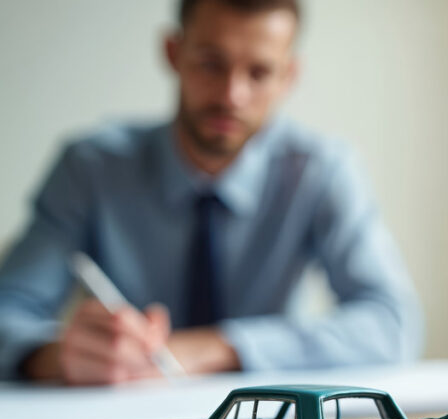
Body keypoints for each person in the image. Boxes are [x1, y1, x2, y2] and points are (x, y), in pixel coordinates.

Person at [0, 0, 422, 384]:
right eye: (211, 64)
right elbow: (9, 310)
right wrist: (56, 356)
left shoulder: (322, 170)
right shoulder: (90, 168)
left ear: (288, 75)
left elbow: (392, 323)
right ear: (172, 53)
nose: (231, 95)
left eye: (259, 72)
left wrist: (215, 349)